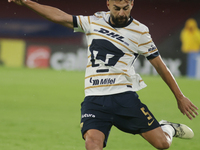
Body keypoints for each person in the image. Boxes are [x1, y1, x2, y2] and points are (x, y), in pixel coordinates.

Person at [8, 0, 198, 149]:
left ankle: (167, 128)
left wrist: (179, 97)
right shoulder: (93, 21)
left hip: (124, 98)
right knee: (92, 144)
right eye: (117, 8)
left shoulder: (140, 32)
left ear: (132, 4)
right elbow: (60, 17)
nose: (121, 13)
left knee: (162, 144)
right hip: (95, 100)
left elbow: (160, 66)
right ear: (108, 4)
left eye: (125, 8)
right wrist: (27, 2)